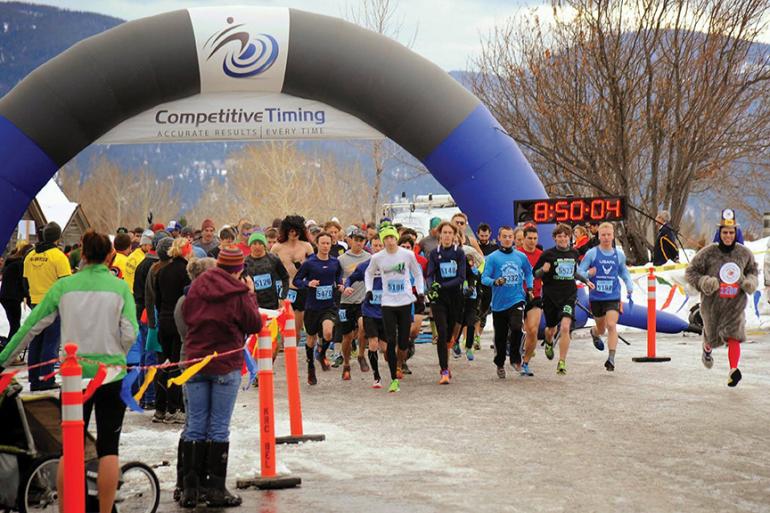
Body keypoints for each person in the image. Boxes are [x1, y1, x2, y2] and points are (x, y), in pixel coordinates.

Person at [0, 230, 137, 513]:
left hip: (74, 378)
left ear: (82, 254)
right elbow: (130, 332)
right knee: (109, 449)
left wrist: (3, 359)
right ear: (109, 255)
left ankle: (68, 508)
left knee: (69, 449)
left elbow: (30, 327)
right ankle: (105, 509)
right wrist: (118, 354)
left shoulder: (64, 287)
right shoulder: (120, 288)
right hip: (111, 374)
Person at [177, 248, 260, 507]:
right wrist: (251, 294)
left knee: (195, 423)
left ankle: (190, 489)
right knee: (218, 426)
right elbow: (254, 324)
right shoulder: (238, 293)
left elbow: (187, 315)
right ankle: (215, 488)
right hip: (225, 362)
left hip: (195, 361)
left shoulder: (196, 287)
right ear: (239, 269)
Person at [685, 209, 758, 386]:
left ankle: (733, 370)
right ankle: (707, 348)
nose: (728, 236)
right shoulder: (708, 253)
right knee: (712, 338)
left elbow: (753, 271)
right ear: (720, 233)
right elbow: (690, 272)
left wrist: (750, 281)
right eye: (725, 232)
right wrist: (705, 282)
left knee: (734, 336)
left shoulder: (744, 253)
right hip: (712, 305)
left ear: (736, 233)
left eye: (731, 232)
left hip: (735, 304)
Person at [365, 223, 424, 392]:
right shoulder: (377, 258)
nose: (390, 241)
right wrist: (369, 291)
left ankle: (400, 363)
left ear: (396, 239)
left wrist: (420, 293)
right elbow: (368, 274)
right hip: (388, 303)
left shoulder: (407, 254)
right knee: (391, 341)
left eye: (392, 238)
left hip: (405, 302)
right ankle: (393, 378)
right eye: (386, 238)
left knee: (403, 341)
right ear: (383, 241)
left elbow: (418, 273)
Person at [535, 224, 593, 375]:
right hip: (550, 296)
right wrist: (543, 270)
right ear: (555, 238)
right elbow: (535, 273)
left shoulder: (574, 253)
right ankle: (548, 342)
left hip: (568, 295)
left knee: (565, 327)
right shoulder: (547, 254)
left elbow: (574, 272)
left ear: (569, 237)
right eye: (559, 236)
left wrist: (586, 280)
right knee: (550, 330)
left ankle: (562, 361)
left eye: (565, 236)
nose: (562, 239)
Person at [579, 222, 634, 372]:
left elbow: (624, 272)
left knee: (611, 325)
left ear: (613, 236)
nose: (606, 237)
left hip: (613, 296)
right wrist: (589, 273)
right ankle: (594, 333)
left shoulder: (619, 255)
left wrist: (629, 285)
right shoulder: (592, 253)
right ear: (599, 236)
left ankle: (611, 358)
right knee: (601, 328)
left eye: (609, 234)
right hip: (596, 297)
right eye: (603, 235)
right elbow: (579, 272)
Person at [22, 222, 71, 390]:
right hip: (53, 304)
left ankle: (34, 378)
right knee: (51, 342)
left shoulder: (29, 255)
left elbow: (25, 281)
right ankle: (47, 378)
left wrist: (30, 297)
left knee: (36, 342)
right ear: (58, 237)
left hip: (36, 303)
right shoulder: (58, 257)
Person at [481, 226, 533, 379]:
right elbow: (484, 278)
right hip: (498, 303)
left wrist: (529, 287)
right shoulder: (492, 258)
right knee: (501, 337)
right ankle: (500, 363)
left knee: (517, 327)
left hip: (517, 298)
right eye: (505, 236)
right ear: (499, 238)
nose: (508, 239)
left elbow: (529, 272)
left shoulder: (521, 256)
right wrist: (495, 281)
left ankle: (516, 358)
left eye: (510, 236)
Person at [293, 231, 344, 385]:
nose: (325, 246)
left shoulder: (335, 262)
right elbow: (296, 281)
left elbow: (338, 279)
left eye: (328, 243)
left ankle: (321, 353)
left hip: (329, 306)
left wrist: (341, 285)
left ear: (331, 244)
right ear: (317, 244)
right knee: (310, 339)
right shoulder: (309, 263)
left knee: (328, 333)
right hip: (312, 307)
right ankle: (310, 367)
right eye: (322, 243)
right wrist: (308, 283)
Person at [153, 237, 192, 423]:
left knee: (164, 364)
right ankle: (174, 407)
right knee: (178, 364)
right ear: (185, 250)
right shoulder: (186, 272)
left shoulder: (161, 271)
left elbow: (157, 300)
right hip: (179, 320)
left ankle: (159, 408)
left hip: (164, 320)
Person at [426, 221, 465, 384]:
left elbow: (461, 278)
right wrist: (431, 287)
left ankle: (447, 360)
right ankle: (444, 370)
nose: (447, 236)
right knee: (442, 333)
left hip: (455, 297)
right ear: (439, 235)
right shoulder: (434, 254)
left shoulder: (459, 253)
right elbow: (429, 274)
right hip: (439, 300)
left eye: (450, 233)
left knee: (449, 334)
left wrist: (441, 285)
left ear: (454, 235)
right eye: (445, 233)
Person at [348, 236, 386, 387]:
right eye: (375, 246)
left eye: (380, 246)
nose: (378, 248)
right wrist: (348, 285)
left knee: (386, 349)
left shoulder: (393, 264)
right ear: (371, 248)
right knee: (373, 343)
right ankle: (376, 377)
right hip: (370, 310)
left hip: (387, 310)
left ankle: (395, 366)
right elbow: (351, 278)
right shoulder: (365, 265)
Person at [271, 215, 314, 344]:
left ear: (300, 231)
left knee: (297, 328)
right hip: (284, 290)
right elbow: (270, 268)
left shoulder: (307, 247)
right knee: (284, 326)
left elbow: (313, 268)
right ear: (286, 231)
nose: (293, 234)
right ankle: (282, 351)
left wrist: (303, 266)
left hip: (301, 289)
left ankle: (293, 354)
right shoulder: (277, 248)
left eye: (296, 231)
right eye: (290, 231)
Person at [338, 228, 371, 380]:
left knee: (363, 325)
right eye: (356, 239)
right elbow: (337, 280)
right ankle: (346, 363)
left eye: (361, 240)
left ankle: (361, 355)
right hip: (346, 301)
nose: (358, 243)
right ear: (350, 240)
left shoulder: (369, 258)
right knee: (347, 337)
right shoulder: (342, 259)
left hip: (362, 301)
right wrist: (342, 286)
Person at [518, 225, 544, 375]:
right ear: (524, 238)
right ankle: (515, 350)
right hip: (517, 295)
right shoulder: (517, 254)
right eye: (529, 238)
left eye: (535, 238)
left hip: (535, 296)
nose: (532, 241)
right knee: (519, 329)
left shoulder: (542, 255)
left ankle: (526, 362)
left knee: (533, 330)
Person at [244, 231, 289, 310]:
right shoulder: (244, 263)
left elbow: (285, 278)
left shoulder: (273, 259)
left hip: (273, 304)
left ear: (264, 245)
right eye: (254, 244)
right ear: (250, 245)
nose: (257, 247)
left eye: (260, 243)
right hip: (253, 305)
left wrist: (282, 297)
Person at [0, 242, 31, 348]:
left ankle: (8, 348)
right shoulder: (20, 264)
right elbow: (23, 282)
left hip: (5, 296)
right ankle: (9, 351)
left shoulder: (11, 262)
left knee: (14, 324)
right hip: (12, 297)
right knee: (15, 325)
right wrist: (28, 295)